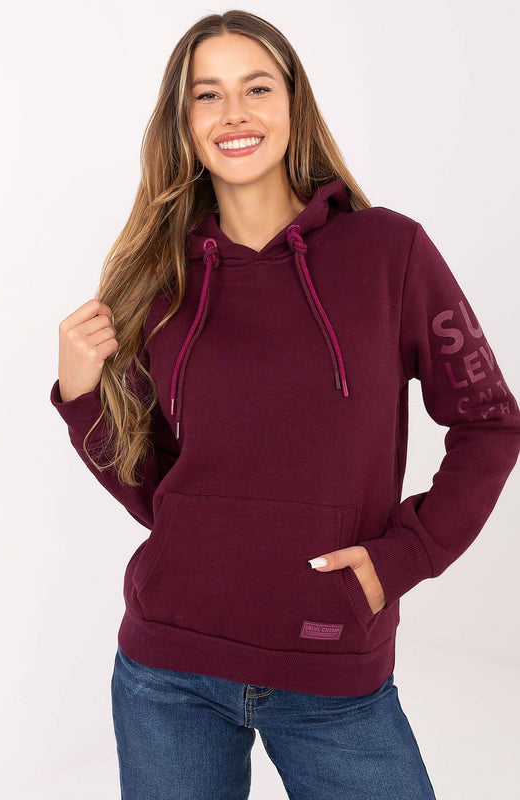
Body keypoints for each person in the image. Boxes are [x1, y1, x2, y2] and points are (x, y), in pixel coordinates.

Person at [49, 10, 520, 800]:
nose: (233, 113)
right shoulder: (158, 280)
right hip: (167, 670)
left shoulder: (389, 251)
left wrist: (404, 558)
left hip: (331, 670)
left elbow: (489, 422)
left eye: (256, 88)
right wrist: (82, 396)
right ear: (182, 123)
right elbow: (158, 494)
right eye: (206, 95)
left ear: (293, 103)